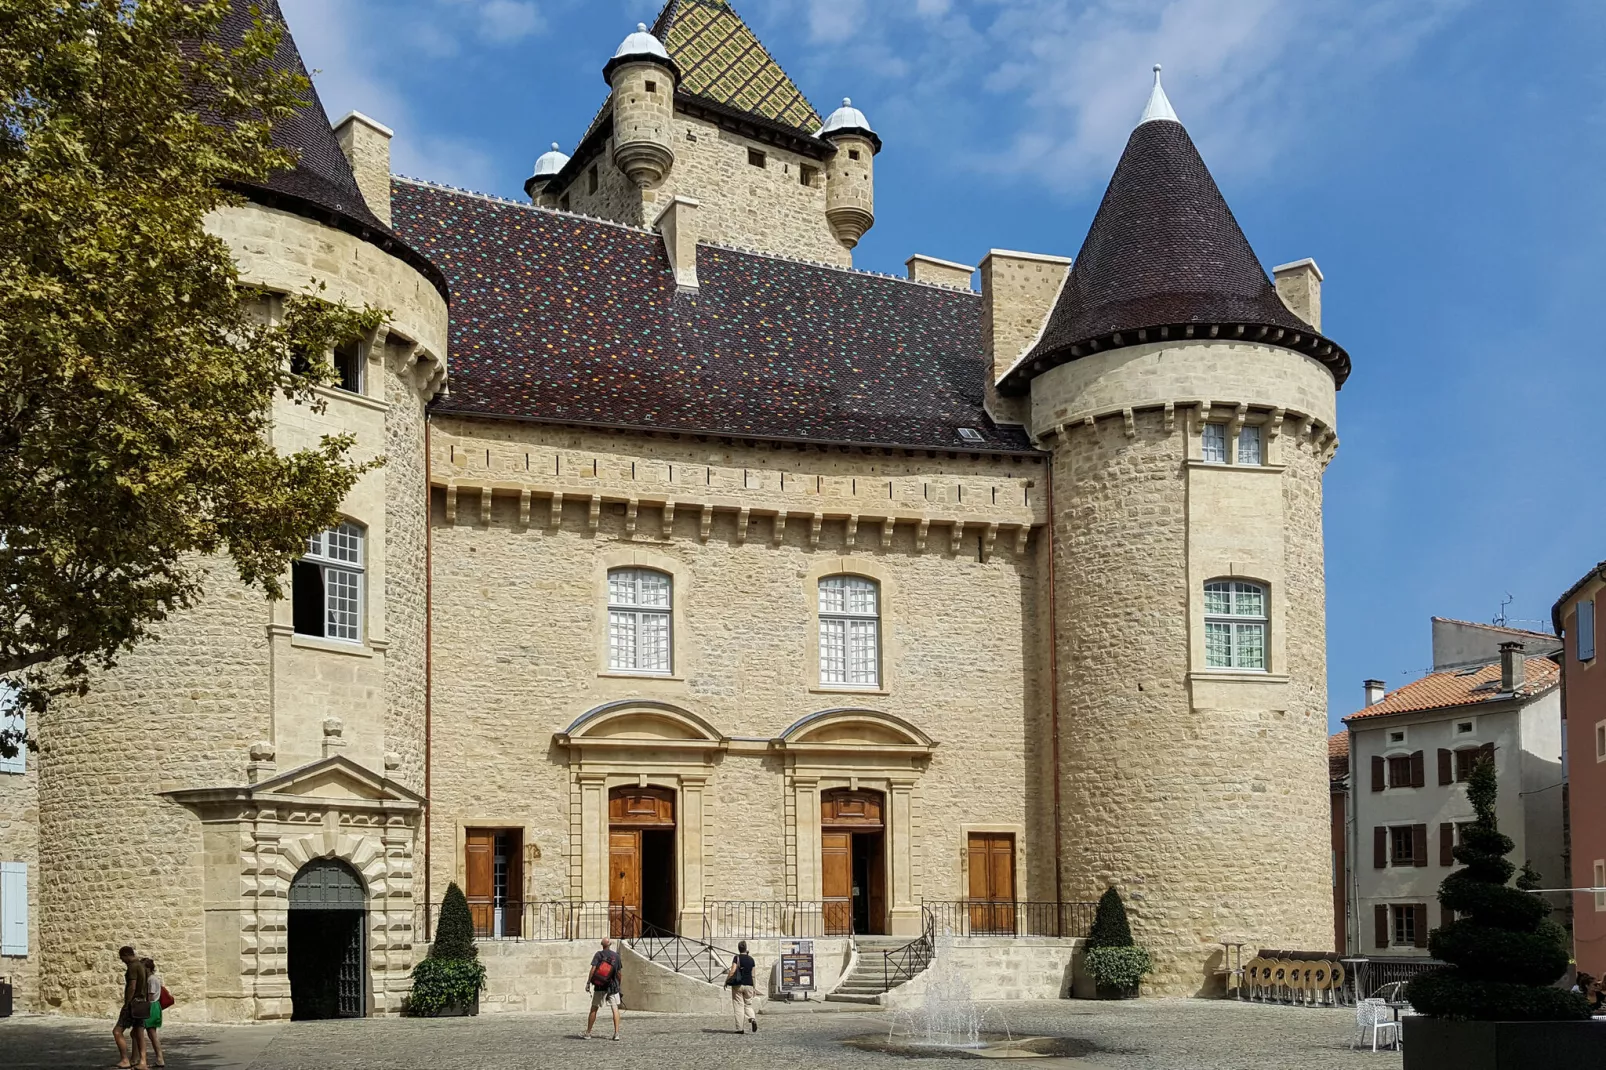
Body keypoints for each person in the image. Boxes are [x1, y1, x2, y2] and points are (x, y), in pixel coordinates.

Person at [112, 945, 150, 1070]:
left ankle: (124, 1059)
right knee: (139, 1032)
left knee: (117, 1032)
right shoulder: (142, 966)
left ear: (126, 955)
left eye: (122, 958)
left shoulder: (133, 967)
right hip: (142, 1003)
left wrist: (127, 1003)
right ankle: (143, 1061)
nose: (122, 960)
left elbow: (132, 986)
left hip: (133, 1003)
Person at [584, 936, 622, 1041]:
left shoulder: (598, 954)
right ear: (610, 945)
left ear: (602, 945)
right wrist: (619, 985)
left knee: (594, 1008)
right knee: (615, 1009)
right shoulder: (616, 956)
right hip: (613, 986)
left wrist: (588, 982)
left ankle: (588, 1032)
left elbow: (593, 969)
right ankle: (616, 1033)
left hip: (600, 985)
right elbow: (619, 973)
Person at [725, 939, 758, 1034]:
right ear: (746, 948)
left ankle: (740, 1029)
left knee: (738, 1006)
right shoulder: (751, 959)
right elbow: (753, 975)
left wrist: (727, 980)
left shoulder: (737, 958)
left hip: (738, 984)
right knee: (748, 1004)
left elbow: (733, 970)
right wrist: (754, 987)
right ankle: (752, 1018)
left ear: (739, 949)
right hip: (749, 984)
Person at [142, 958, 166, 1068]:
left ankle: (160, 1058)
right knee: (152, 1034)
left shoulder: (151, 979)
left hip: (151, 1006)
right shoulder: (153, 978)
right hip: (154, 1006)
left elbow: (150, 995)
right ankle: (159, 1058)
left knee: (152, 1033)